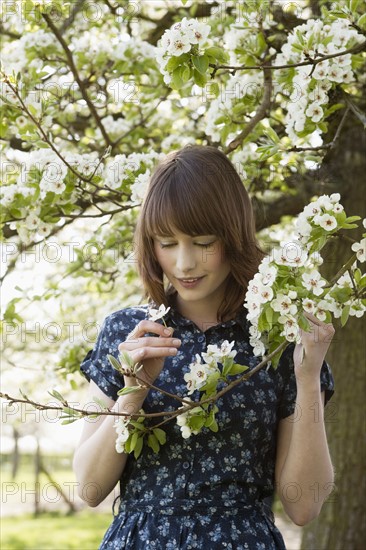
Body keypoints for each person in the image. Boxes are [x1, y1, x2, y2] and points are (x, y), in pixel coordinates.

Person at [73, 145, 335, 549]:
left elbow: (304, 506)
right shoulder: (129, 332)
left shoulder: (278, 337)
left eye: (202, 241)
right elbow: (90, 488)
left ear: (233, 235)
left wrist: (307, 376)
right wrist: (133, 395)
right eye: (167, 243)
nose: (184, 264)